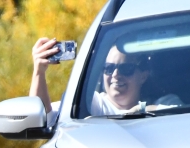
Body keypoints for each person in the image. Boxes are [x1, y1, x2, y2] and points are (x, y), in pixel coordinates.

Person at [30, 37, 181, 119]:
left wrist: (141, 110)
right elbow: (42, 117)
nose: (115, 75)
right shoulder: (92, 104)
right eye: (108, 68)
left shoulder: (165, 102)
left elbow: (179, 115)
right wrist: (39, 72)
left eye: (125, 69)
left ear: (143, 75)